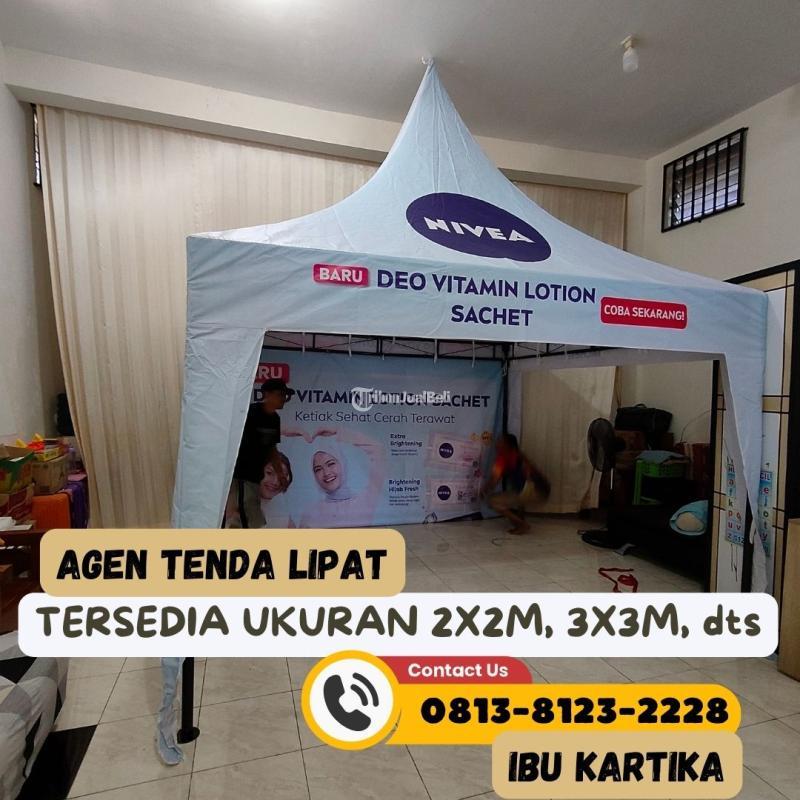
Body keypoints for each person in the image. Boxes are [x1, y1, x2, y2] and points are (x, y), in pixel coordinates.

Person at [225, 378, 294, 528]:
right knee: (248, 515)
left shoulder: (274, 419)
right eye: (281, 394)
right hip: (241, 475)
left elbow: (272, 449)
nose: (284, 398)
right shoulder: (250, 414)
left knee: (247, 517)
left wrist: (280, 474)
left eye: (285, 395)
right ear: (267, 394)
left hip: (255, 477)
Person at [297, 428, 386, 528]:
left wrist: (337, 431)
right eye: (318, 469)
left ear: (342, 464)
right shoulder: (310, 513)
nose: (326, 473)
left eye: (331, 464)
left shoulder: (364, 502)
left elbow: (377, 449)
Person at [481, 433, 549, 535]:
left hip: (532, 492)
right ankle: (521, 518)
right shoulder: (519, 454)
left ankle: (521, 524)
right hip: (542, 491)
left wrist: (483, 490)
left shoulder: (504, 457)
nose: (497, 444)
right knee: (518, 493)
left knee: (493, 501)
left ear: (507, 445)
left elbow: (494, 480)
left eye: (500, 442)